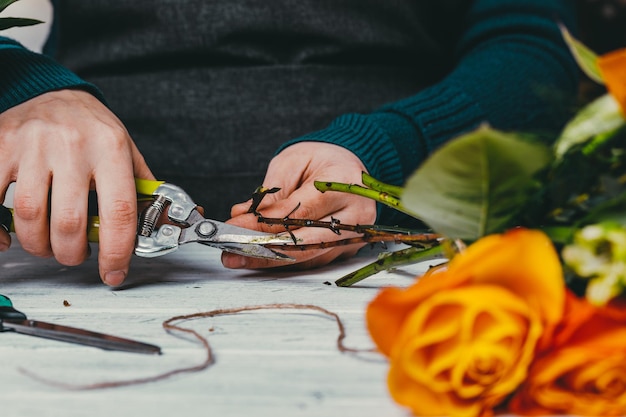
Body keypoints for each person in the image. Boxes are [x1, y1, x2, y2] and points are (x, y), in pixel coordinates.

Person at [0, 0, 579, 286]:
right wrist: (25, 88)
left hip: (415, 254)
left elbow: (533, 48)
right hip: (53, 246)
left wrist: (387, 147)